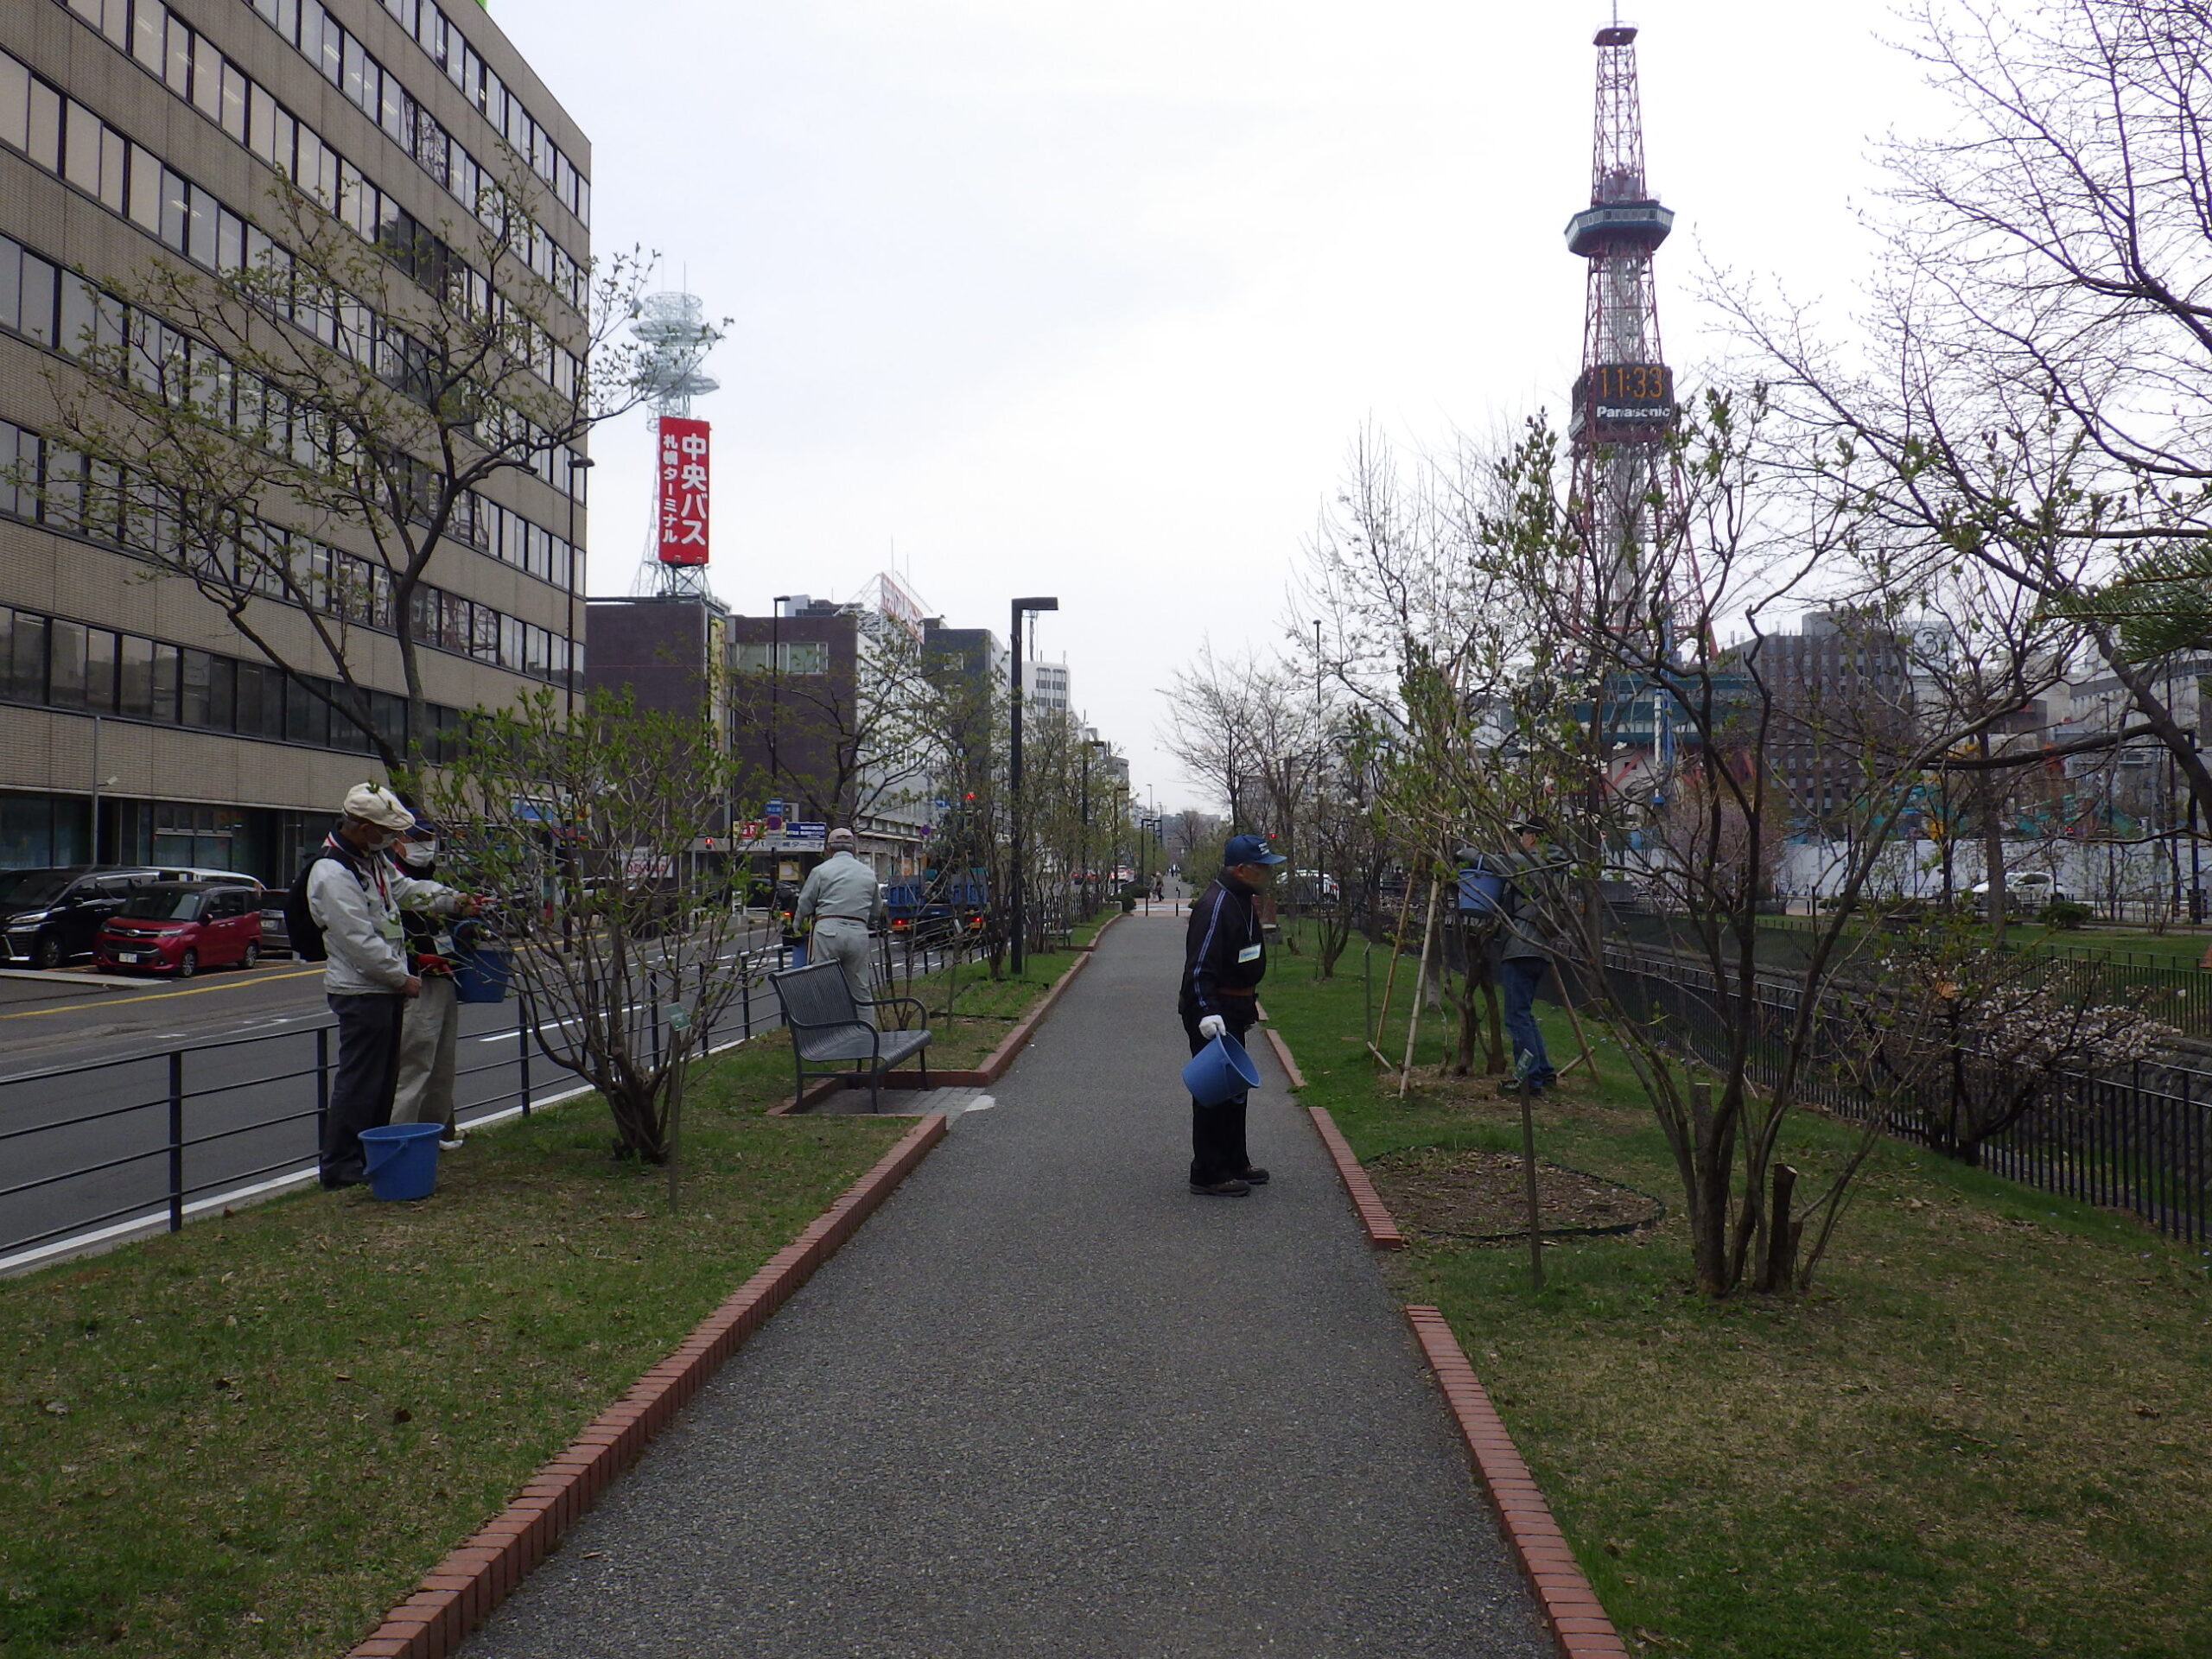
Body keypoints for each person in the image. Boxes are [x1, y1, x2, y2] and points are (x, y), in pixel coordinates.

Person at [307, 784, 477, 1189]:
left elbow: (405, 890)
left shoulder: (370, 861)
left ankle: (368, 1155)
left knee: (381, 1081)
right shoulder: (333, 872)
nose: (390, 839)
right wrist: (401, 977)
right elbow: (358, 941)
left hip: (380, 988)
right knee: (360, 1080)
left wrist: (452, 899)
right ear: (362, 827)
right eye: (385, 830)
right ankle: (341, 1163)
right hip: (360, 989)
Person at [1179, 832, 1285, 1197]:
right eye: (1261, 867)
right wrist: (1208, 1012)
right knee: (1215, 1091)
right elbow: (1199, 967)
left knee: (1234, 1090)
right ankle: (1208, 1172)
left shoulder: (1239, 899)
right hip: (1214, 1012)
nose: (1267, 874)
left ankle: (1235, 1160)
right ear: (1241, 869)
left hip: (1234, 1008)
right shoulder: (1216, 905)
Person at [391, 817, 465, 1152]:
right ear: (397, 842)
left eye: (429, 837)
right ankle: (401, 1140)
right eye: (417, 838)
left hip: (444, 975)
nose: (425, 844)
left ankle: (435, 1134)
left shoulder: (435, 878)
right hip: (416, 981)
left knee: (441, 1066)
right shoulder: (393, 881)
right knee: (415, 1065)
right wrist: (415, 961)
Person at [1497, 817, 1560, 1097]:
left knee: (1516, 1017)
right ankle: (1543, 1071)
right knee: (1525, 1014)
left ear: (1533, 837)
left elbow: (1496, 863)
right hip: (1540, 947)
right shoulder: (1556, 863)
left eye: (1523, 835)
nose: (1520, 840)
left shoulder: (1532, 861)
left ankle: (1528, 1079)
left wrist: (1463, 855)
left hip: (1522, 946)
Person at [794, 828, 886, 1018]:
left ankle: (830, 1030)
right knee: (860, 990)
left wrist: (797, 926)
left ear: (828, 849)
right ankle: (867, 1031)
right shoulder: (868, 873)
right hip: (858, 933)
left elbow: (805, 903)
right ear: (854, 849)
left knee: (825, 988)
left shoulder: (820, 871)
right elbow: (876, 909)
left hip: (828, 930)